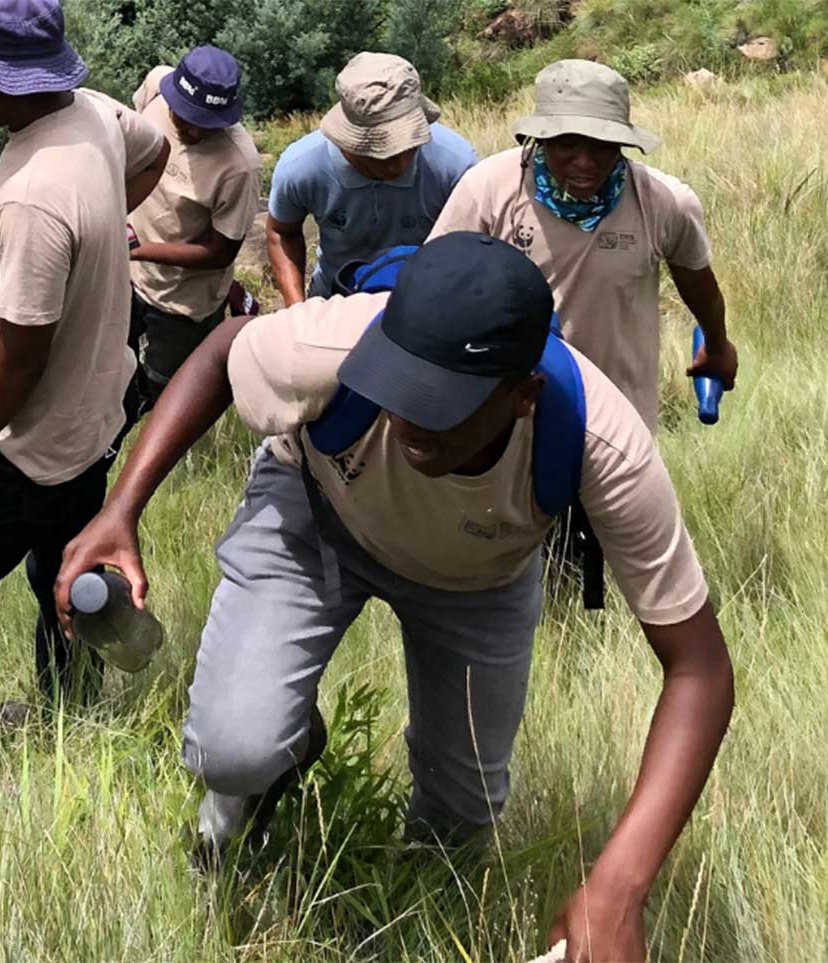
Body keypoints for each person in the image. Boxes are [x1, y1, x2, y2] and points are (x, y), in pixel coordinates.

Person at [58, 234, 733, 963]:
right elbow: (225, 351)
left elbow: (699, 668)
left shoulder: (603, 441)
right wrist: (121, 509)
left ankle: (394, 920)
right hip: (316, 517)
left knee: (459, 826)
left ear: (523, 395)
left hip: (476, 582)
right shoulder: (335, 343)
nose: (407, 416)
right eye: (397, 381)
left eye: (440, 403)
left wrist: (619, 887)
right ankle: (275, 756)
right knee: (236, 749)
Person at [0, 0, 168, 701]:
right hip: (97, 415)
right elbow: (156, 151)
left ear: (10, 79)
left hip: (31, 445)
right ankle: (71, 710)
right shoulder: (92, 112)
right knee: (68, 576)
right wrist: (102, 237)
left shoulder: (34, 199)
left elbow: (22, 358)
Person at [430, 59, 737, 433]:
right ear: (542, 137)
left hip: (618, 417)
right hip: (509, 416)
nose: (585, 161)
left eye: (602, 145)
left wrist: (717, 345)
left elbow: (697, 282)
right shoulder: (488, 190)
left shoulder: (664, 203)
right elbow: (436, 286)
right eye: (567, 143)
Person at [264, 52, 476, 306]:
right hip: (335, 298)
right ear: (348, 139)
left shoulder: (456, 164)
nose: (398, 164)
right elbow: (282, 232)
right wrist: (298, 311)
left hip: (429, 298)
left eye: (408, 146)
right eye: (380, 152)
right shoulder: (302, 166)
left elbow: (474, 249)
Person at [123, 45, 263, 421]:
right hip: (127, 276)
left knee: (164, 387)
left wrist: (138, 249)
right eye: (187, 117)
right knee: (113, 365)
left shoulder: (239, 165)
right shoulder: (156, 84)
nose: (195, 130)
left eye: (210, 123)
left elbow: (220, 252)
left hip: (183, 301)